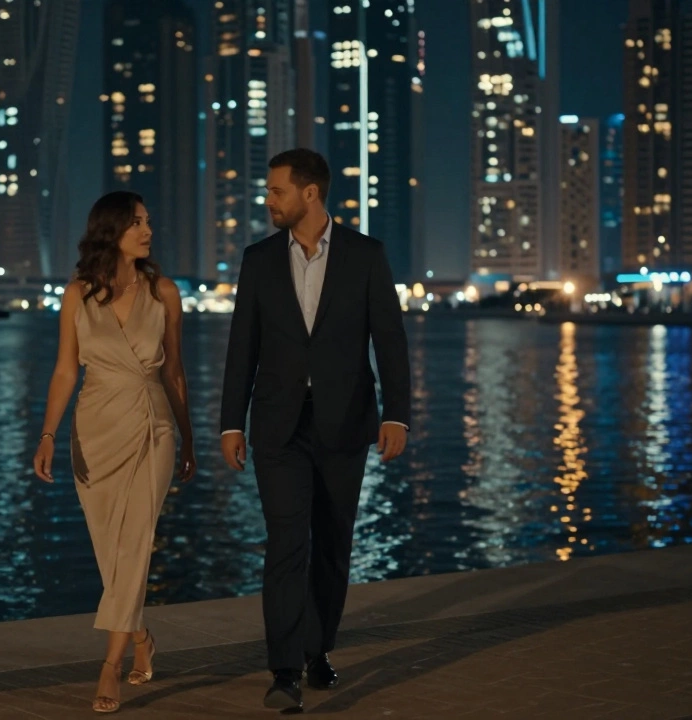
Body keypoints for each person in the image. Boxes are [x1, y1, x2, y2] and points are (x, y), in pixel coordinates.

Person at [219, 148, 412, 711]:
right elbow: (242, 347)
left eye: (276, 190)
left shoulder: (365, 255)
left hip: (345, 421)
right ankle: (284, 671)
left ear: (310, 193)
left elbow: (390, 339)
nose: (268, 200)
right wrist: (231, 423)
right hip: (277, 424)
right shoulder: (258, 259)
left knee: (332, 543)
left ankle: (317, 649)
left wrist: (396, 413)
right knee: (286, 542)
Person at [33, 191, 196, 714]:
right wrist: (47, 435)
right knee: (110, 549)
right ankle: (141, 636)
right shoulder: (76, 294)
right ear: (112, 230)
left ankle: (109, 666)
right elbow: (66, 369)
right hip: (94, 430)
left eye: (148, 221)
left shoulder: (164, 292)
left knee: (135, 544)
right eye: (136, 222)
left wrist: (188, 436)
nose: (147, 231)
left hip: (152, 427)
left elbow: (174, 371)